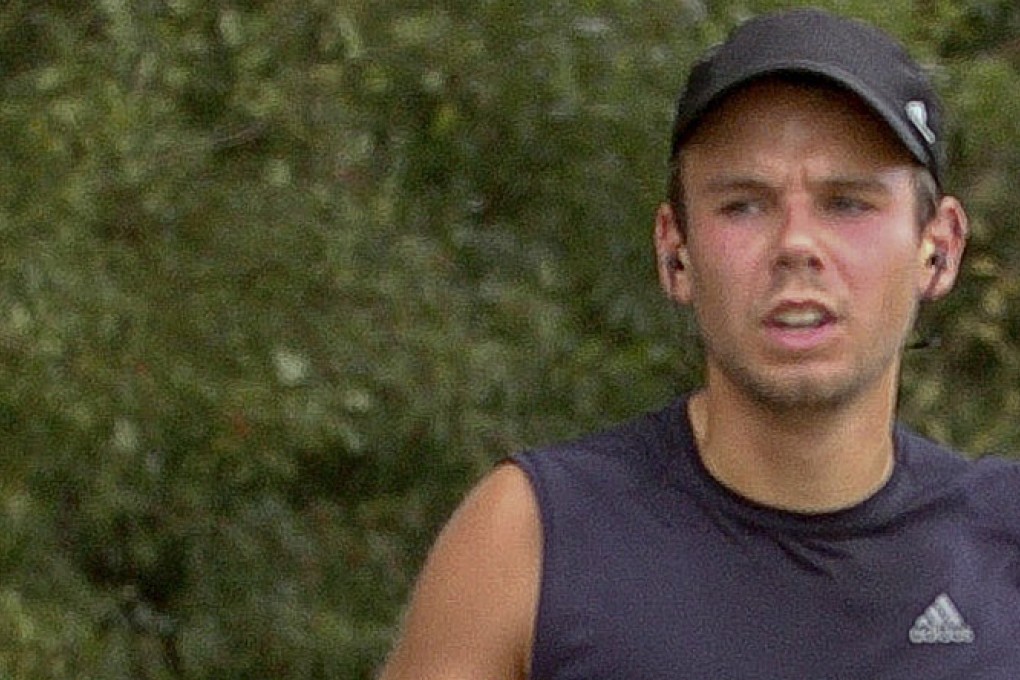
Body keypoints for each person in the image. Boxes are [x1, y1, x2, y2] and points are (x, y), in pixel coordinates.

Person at [379, 8, 1020, 679]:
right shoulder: (533, 541)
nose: (796, 244)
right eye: (744, 204)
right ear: (674, 252)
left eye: (848, 203)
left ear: (938, 249)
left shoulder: (1002, 549)